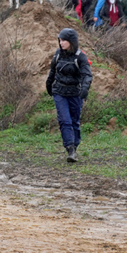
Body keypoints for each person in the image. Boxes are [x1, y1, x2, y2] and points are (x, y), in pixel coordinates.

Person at [45, 29, 92, 162]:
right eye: (60, 40)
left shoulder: (80, 56)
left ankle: (74, 146)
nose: (61, 43)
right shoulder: (58, 54)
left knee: (74, 121)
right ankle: (70, 149)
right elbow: (52, 71)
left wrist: (84, 89)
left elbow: (87, 75)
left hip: (75, 93)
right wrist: (48, 84)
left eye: (63, 40)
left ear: (71, 42)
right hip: (59, 92)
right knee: (65, 120)